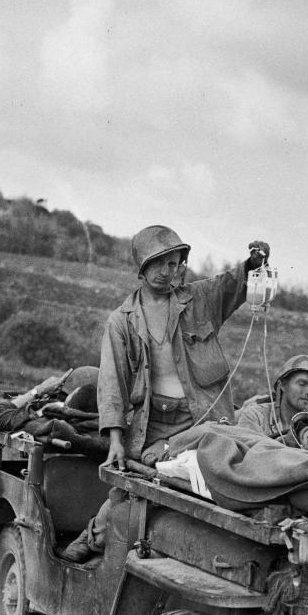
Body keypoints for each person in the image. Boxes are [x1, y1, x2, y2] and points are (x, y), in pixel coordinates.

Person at [62, 225, 270, 563]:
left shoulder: (199, 300)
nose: (167, 272)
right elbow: (112, 382)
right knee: (131, 489)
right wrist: (115, 438)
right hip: (152, 425)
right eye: (159, 264)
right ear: (142, 269)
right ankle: (95, 536)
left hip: (201, 418)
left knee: (213, 484)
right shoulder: (122, 321)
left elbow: (232, 285)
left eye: (175, 263)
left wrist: (253, 264)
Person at [237, 354, 308, 450]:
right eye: (302, 384)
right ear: (283, 385)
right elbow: (247, 453)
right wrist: (289, 442)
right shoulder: (255, 416)